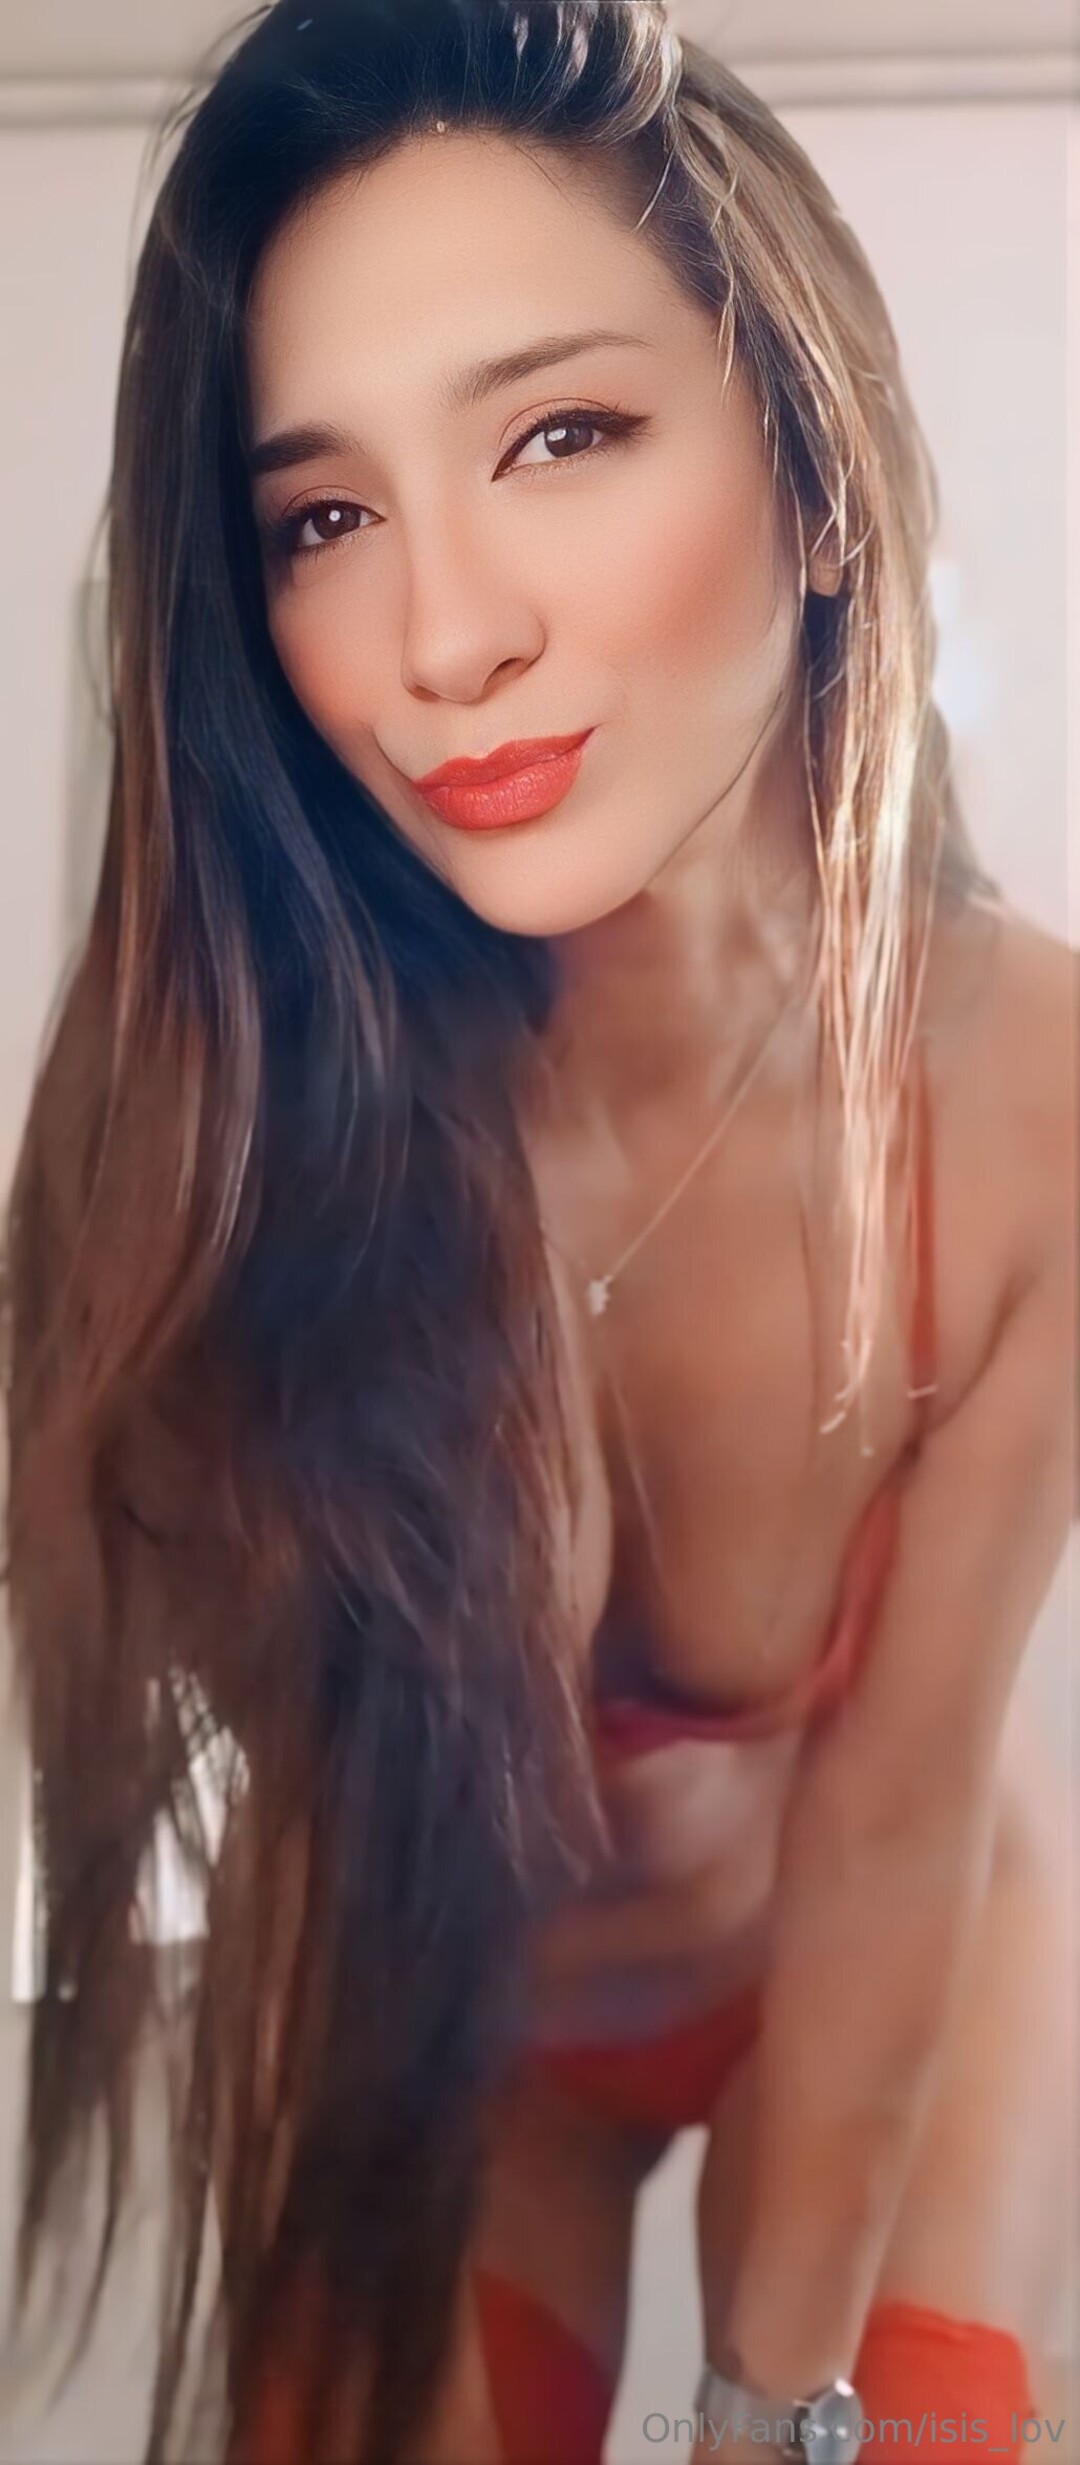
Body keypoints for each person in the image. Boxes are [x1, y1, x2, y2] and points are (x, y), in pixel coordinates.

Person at [2, 1, 1075, 2460]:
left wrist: (773, 2403)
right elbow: (302, 1876)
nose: (443, 637)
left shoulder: (1031, 1086)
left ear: (812, 472)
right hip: (448, 2020)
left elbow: (900, 1812)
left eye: (559, 436)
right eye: (324, 517)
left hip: (893, 1960)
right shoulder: (244, 1122)